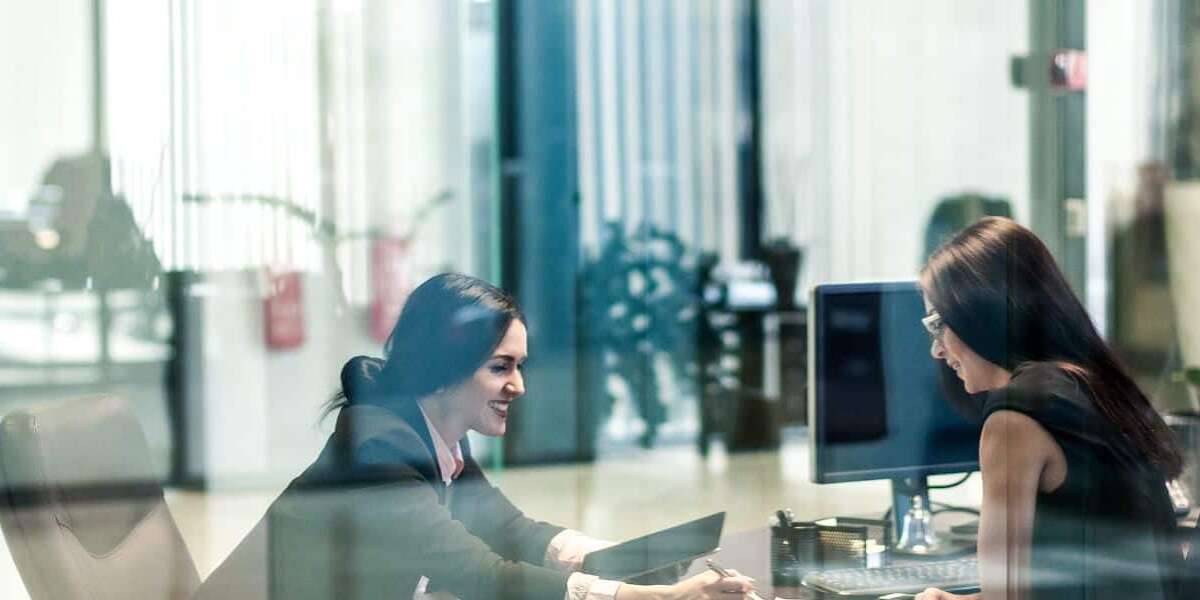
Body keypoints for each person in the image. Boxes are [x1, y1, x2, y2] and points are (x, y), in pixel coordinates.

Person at [194, 273, 754, 600]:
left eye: (520, 366)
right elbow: (480, 575)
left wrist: (631, 559)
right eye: (500, 367)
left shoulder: (431, 433)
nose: (519, 386)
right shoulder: (378, 453)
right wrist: (655, 598)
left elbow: (512, 532)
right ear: (446, 365)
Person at [913, 218, 1184, 600]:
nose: (937, 349)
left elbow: (1004, 596)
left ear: (980, 311)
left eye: (938, 324)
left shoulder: (1015, 419)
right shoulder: (1093, 386)